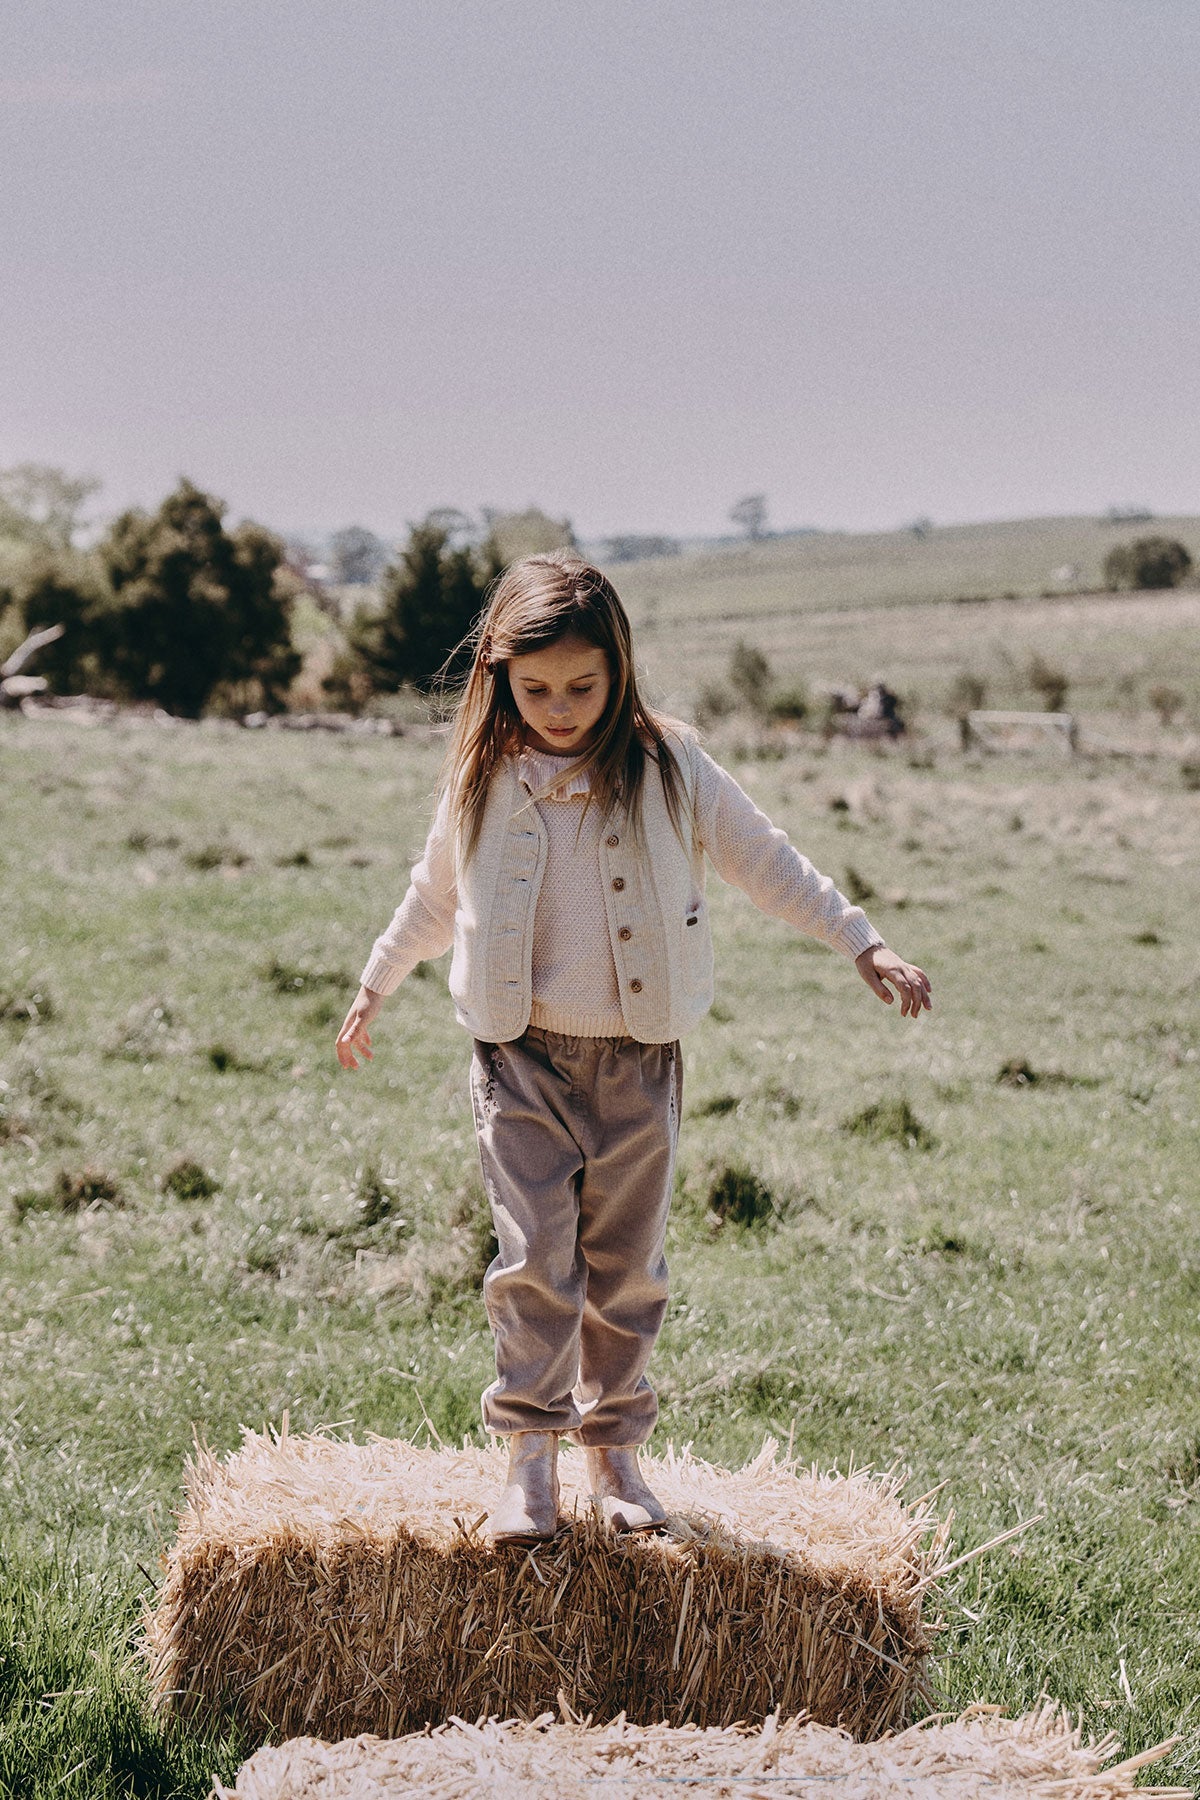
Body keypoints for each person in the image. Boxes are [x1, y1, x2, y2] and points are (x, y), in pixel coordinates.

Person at [336, 554, 931, 1544]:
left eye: (583, 686)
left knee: (624, 1267)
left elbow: (764, 856)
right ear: (496, 673)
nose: (561, 707)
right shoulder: (482, 776)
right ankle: (528, 1465)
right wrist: (372, 984)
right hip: (518, 1059)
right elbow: (434, 896)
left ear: (619, 668)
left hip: (637, 1061)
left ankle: (612, 1452)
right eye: (536, 690)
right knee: (534, 1262)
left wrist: (861, 938)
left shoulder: (670, 766)